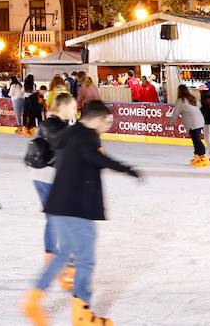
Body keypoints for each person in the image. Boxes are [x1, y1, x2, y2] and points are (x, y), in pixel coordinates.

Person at [22, 101, 139, 326]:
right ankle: (83, 315)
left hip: (58, 205)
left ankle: (33, 299)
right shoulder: (87, 137)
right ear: (97, 118)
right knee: (85, 260)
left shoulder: (69, 133)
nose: (108, 126)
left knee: (64, 255)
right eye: (107, 122)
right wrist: (127, 169)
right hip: (77, 208)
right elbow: (96, 158)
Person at [26, 93, 76, 284]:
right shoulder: (59, 126)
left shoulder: (45, 124)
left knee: (52, 218)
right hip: (50, 178)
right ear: (63, 107)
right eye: (71, 107)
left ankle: (51, 259)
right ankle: (67, 264)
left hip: (37, 176)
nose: (74, 110)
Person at [166, 84, 208, 167]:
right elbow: (199, 105)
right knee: (196, 140)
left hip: (193, 123)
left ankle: (203, 157)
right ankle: (197, 157)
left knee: (197, 141)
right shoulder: (192, 98)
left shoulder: (181, 101)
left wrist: (170, 123)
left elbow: (175, 113)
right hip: (200, 120)